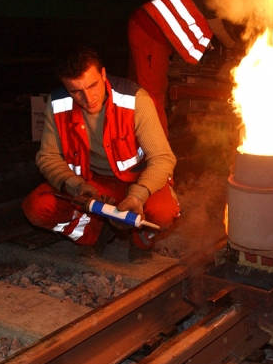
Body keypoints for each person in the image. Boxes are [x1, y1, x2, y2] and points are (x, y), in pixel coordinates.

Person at [22, 46, 180, 263]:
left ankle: (142, 238)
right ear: (65, 86)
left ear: (103, 74)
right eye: (75, 91)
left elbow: (163, 158)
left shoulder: (135, 99)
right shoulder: (57, 103)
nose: (87, 98)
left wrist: (137, 196)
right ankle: (93, 233)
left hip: (135, 181)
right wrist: (76, 185)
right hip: (91, 184)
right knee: (37, 207)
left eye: (92, 85)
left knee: (163, 212)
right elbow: (47, 157)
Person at [128, 0, 239, 137]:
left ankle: (143, 141)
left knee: (146, 92)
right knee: (152, 95)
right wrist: (236, 47)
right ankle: (156, 149)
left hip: (149, 32)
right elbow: (218, 26)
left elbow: (221, 23)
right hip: (149, 33)